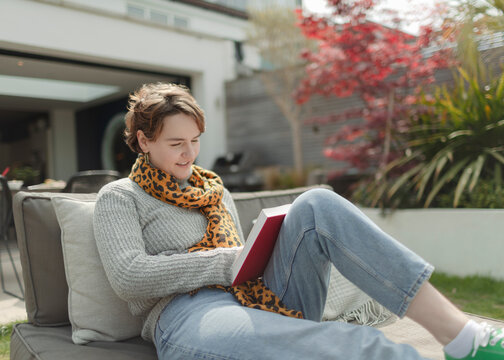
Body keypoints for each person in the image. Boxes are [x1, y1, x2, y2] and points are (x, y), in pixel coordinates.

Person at [93, 82, 504, 360]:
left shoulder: (215, 190)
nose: (190, 154)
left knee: (316, 203)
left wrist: (253, 255)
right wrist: (225, 261)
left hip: (254, 296)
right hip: (186, 314)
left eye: (195, 141)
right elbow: (128, 276)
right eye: (176, 143)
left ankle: (462, 336)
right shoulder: (120, 197)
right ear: (144, 141)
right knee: (348, 343)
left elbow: (242, 265)